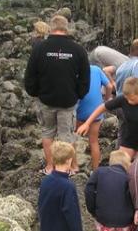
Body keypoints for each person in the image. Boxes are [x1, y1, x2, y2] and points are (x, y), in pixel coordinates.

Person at [24, 15, 90, 175]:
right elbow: (85, 78)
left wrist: (35, 93)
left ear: (51, 28)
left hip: (46, 99)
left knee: (47, 133)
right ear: (66, 28)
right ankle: (71, 167)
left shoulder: (39, 48)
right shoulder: (78, 49)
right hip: (68, 100)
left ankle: (50, 166)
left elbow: (30, 76)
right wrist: (79, 94)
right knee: (67, 135)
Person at [76, 77, 138, 160]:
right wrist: (87, 123)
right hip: (129, 138)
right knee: (119, 164)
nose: (129, 101)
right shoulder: (124, 99)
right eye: (127, 98)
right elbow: (103, 107)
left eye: (132, 99)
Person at [85, 150, 135, 231]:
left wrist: (93, 211)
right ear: (126, 163)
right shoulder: (129, 176)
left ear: (111, 162)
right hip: (126, 219)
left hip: (104, 218)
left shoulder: (99, 172)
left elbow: (88, 190)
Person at [38, 141, 84, 231]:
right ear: (69, 160)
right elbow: (72, 215)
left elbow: (41, 205)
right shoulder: (68, 186)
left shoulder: (45, 181)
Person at [76, 65, 113, 170]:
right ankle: (95, 171)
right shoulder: (96, 69)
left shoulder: (74, 69)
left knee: (71, 139)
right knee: (93, 141)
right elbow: (109, 86)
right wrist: (106, 100)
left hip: (79, 111)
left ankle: (72, 167)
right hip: (95, 111)